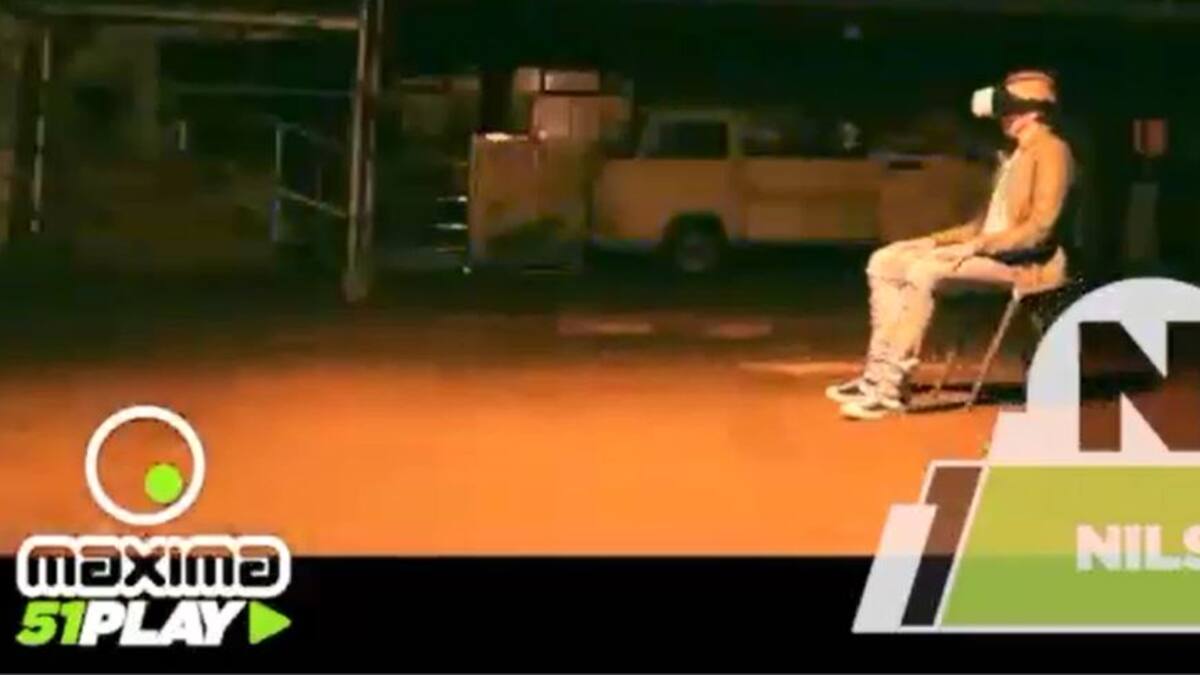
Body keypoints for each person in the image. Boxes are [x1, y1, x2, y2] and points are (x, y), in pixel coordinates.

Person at [827, 70, 1075, 421]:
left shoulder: (1052, 151)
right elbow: (981, 225)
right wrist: (931, 241)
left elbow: (1040, 228)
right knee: (885, 261)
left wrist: (977, 247)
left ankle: (891, 389)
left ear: (1034, 112)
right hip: (989, 253)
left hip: (1024, 265)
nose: (1003, 118)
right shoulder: (1013, 156)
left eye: (1011, 110)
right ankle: (876, 374)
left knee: (924, 271)